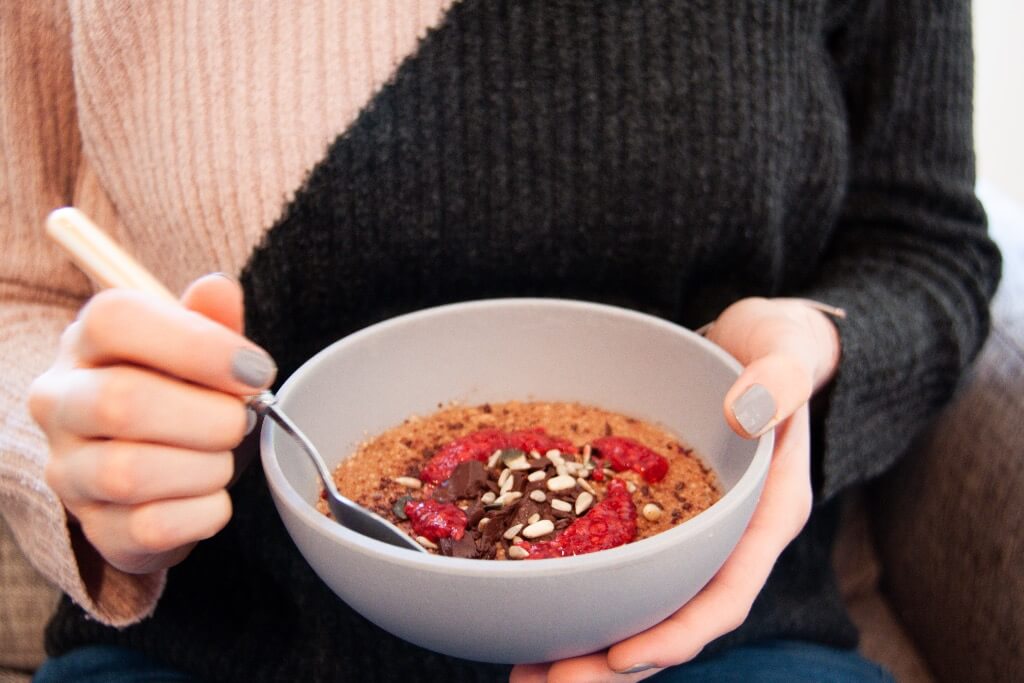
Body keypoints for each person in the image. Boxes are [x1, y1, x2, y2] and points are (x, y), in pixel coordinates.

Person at [0, 1, 1000, 682]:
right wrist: (91, 455)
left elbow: (924, 243)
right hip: (221, 638)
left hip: (719, 631)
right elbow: (18, 285)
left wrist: (811, 361)